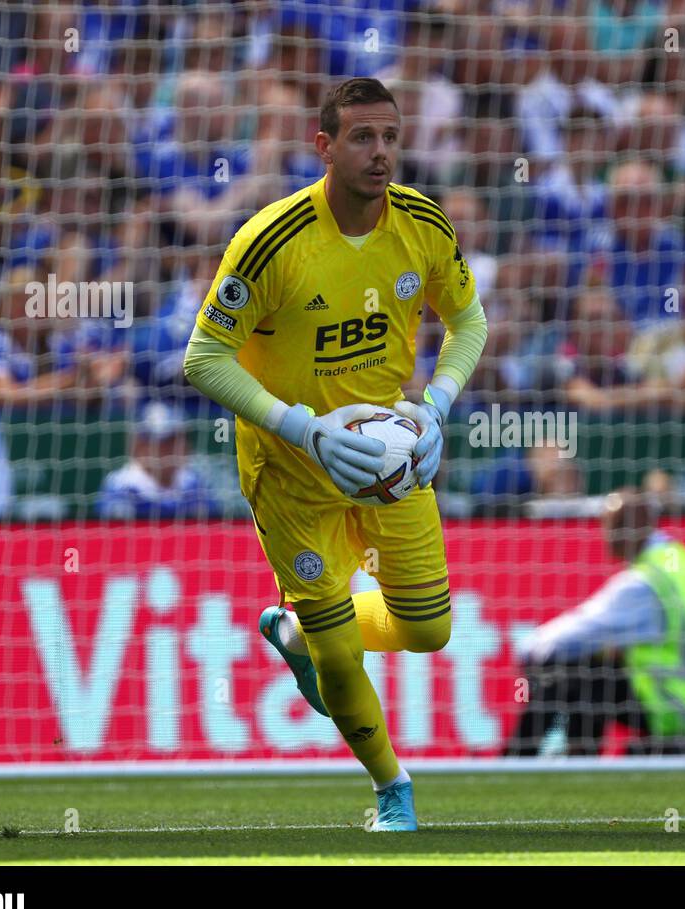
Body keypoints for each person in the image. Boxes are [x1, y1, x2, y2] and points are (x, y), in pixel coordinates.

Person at [183, 78, 487, 831]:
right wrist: (304, 428)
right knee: (341, 660)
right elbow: (203, 358)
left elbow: (468, 320)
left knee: (428, 631)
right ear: (324, 146)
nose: (380, 152)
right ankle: (393, 790)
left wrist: (439, 405)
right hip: (291, 472)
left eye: (389, 136)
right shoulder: (270, 241)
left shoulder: (421, 224)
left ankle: (296, 632)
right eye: (361, 137)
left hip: (389, 459)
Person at [505, 488, 685, 757]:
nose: (606, 534)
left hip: (677, 705)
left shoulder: (643, 583)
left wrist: (529, 648)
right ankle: (575, 763)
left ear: (631, 527)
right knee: (592, 670)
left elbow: (579, 630)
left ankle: (517, 761)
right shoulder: (674, 561)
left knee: (567, 672)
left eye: (611, 525)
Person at [96, 402, 218, 520]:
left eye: (175, 441)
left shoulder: (192, 482)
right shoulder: (121, 487)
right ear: (139, 446)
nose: (172, 449)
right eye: (162, 443)